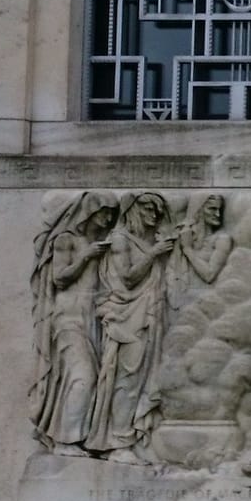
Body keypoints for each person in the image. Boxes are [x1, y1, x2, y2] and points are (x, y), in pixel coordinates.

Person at [87, 192, 175, 461]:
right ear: (133, 209)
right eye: (148, 207)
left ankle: (126, 439)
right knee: (126, 378)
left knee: (139, 379)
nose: (154, 214)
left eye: (158, 210)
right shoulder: (121, 239)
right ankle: (117, 442)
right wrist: (154, 253)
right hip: (125, 318)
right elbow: (127, 278)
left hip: (145, 315)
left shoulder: (146, 240)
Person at [31, 192, 120, 454]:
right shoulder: (67, 240)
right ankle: (64, 441)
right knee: (84, 376)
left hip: (93, 321)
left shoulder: (103, 244)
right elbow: (59, 278)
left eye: (112, 214)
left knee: (96, 379)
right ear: (90, 211)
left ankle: (81, 437)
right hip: (67, 320)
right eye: (104, 211)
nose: (107, 218)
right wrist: (86, 256)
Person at [167, 192, 233, 295]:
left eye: (219, 209)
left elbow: (209, 275)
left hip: (206, 301)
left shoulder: (222, 239)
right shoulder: (184, 236)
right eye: (212, 209)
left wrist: (187, 249)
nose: (217, 214)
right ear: (199, 210)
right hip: (183, 300)